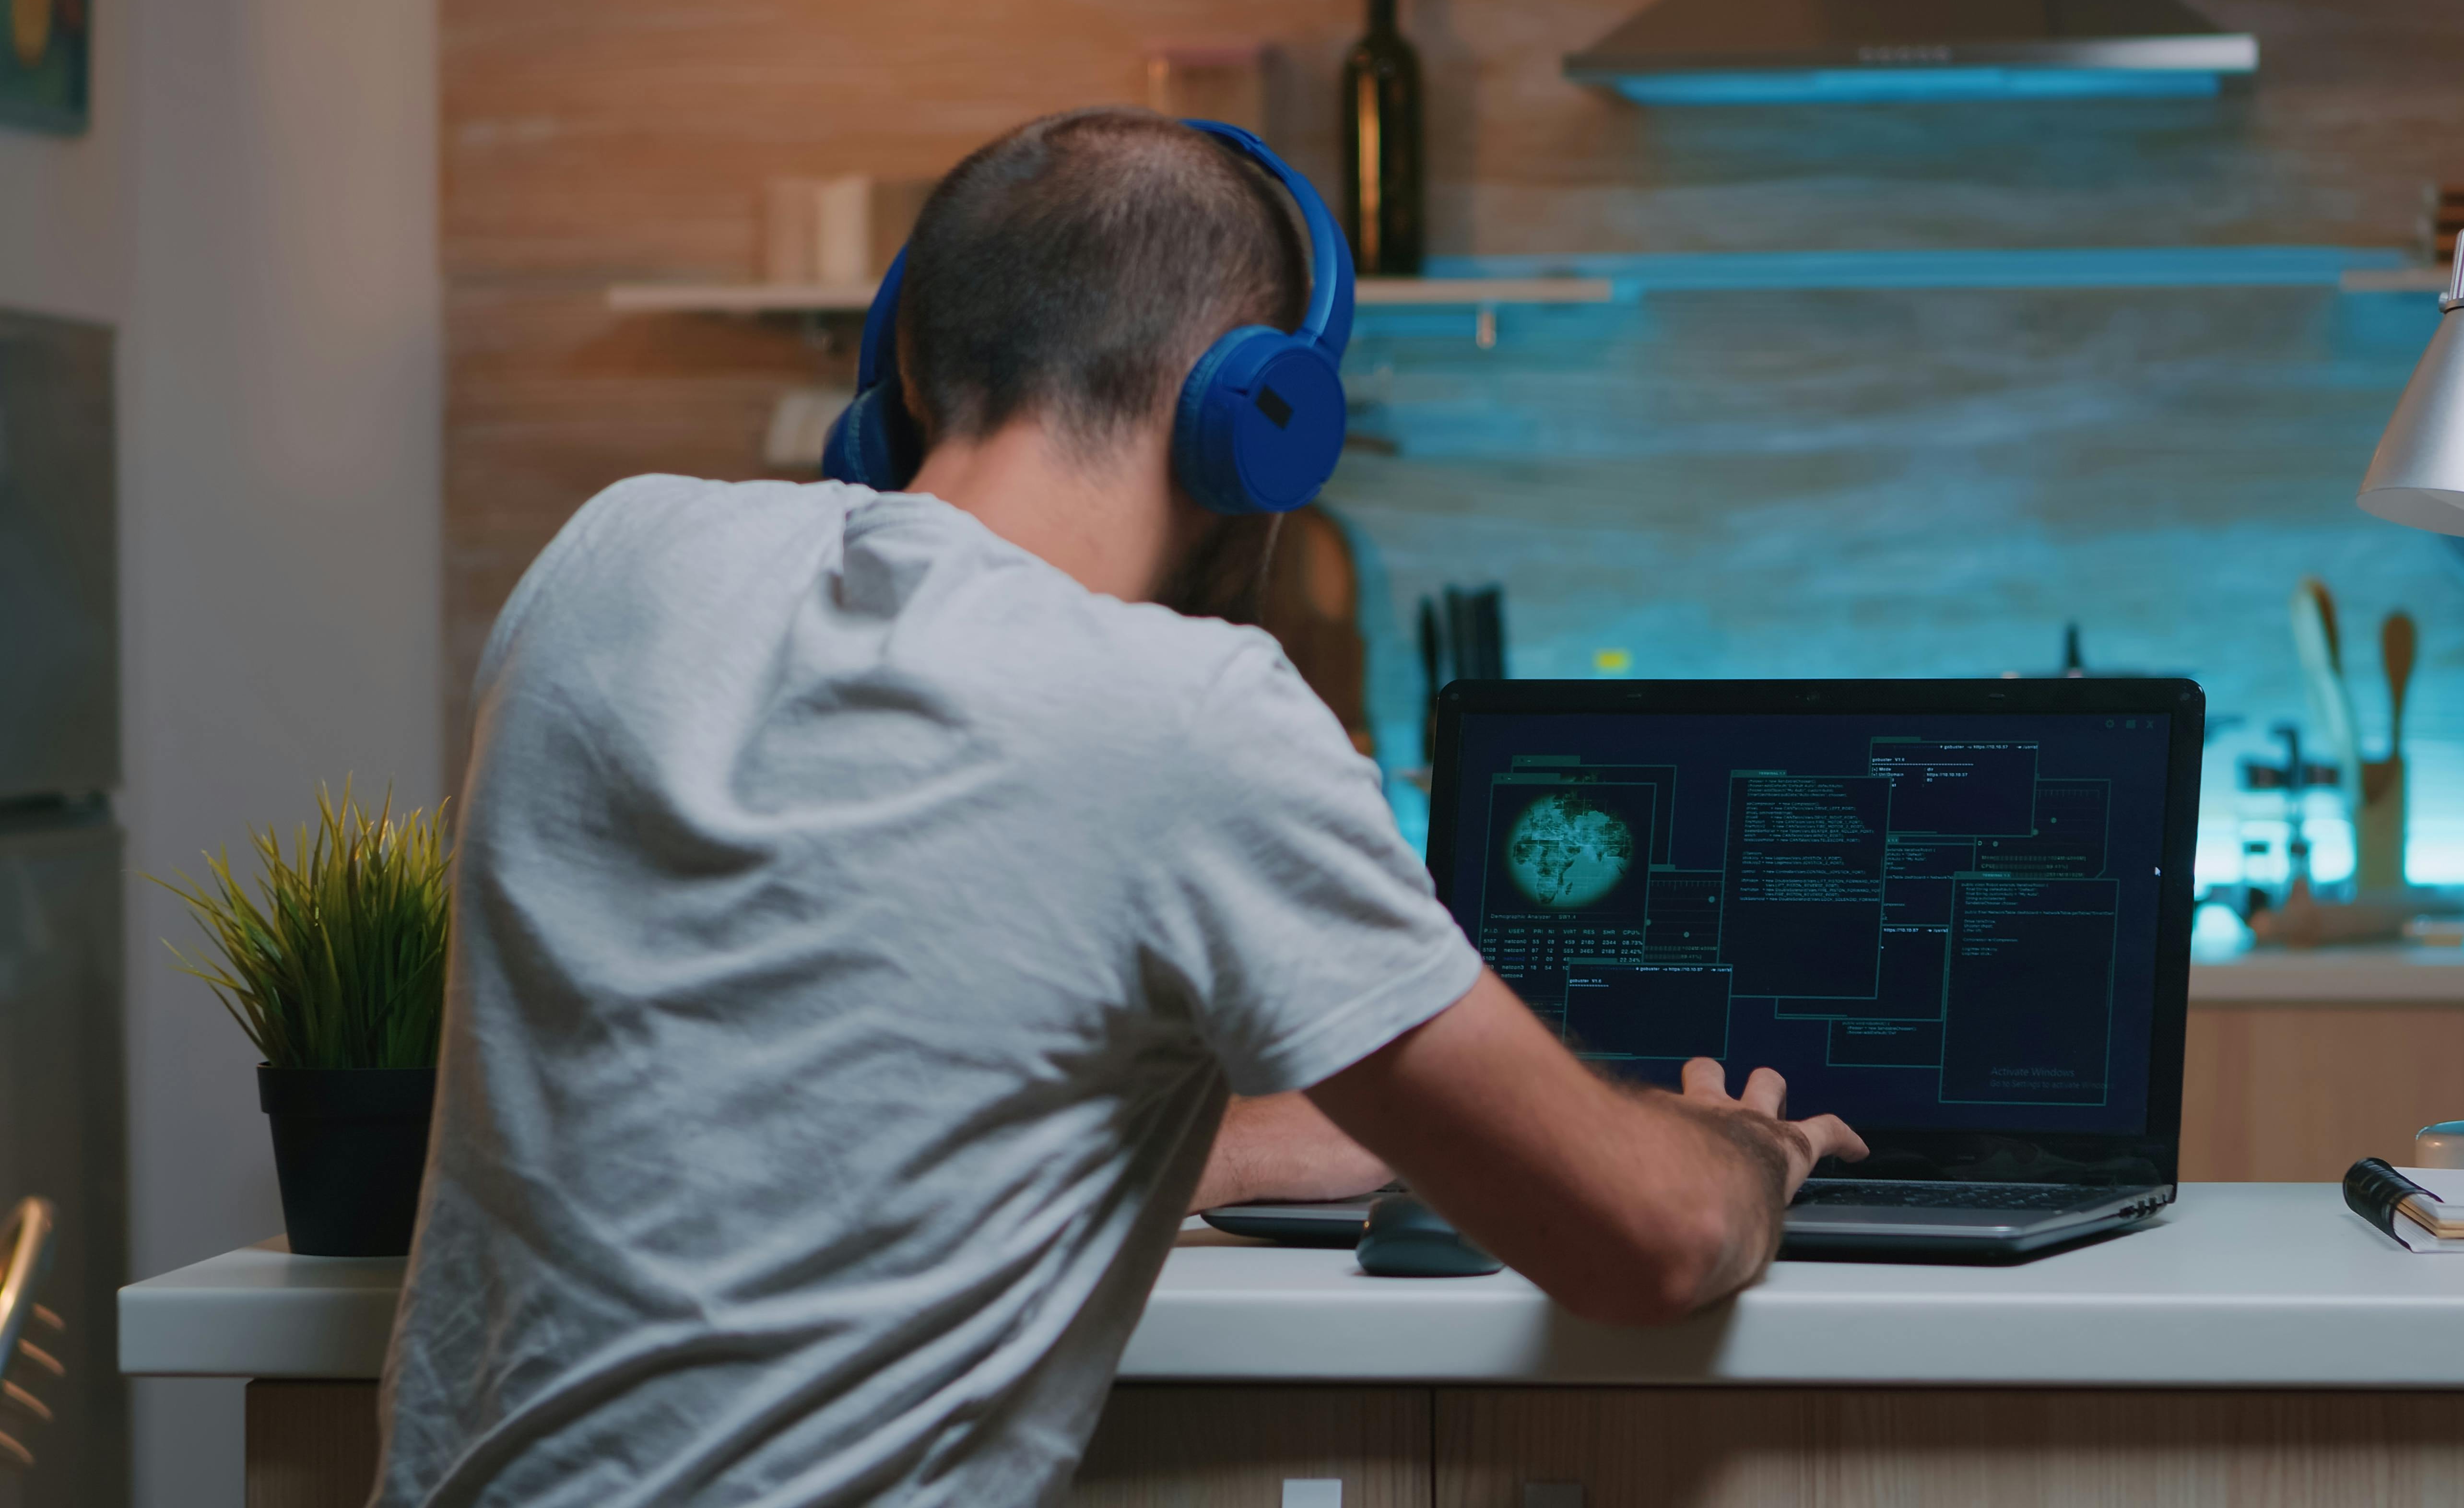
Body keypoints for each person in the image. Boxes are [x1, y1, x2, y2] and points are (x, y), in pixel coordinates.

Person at [376, 107, 1864, 1507]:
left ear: (904, 368)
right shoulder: (1192, 712)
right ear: (1263, 414)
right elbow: (1651, 1249)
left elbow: (820, 1104)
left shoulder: (613, 562)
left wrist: (1340, 1137)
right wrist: (1747, 1153)